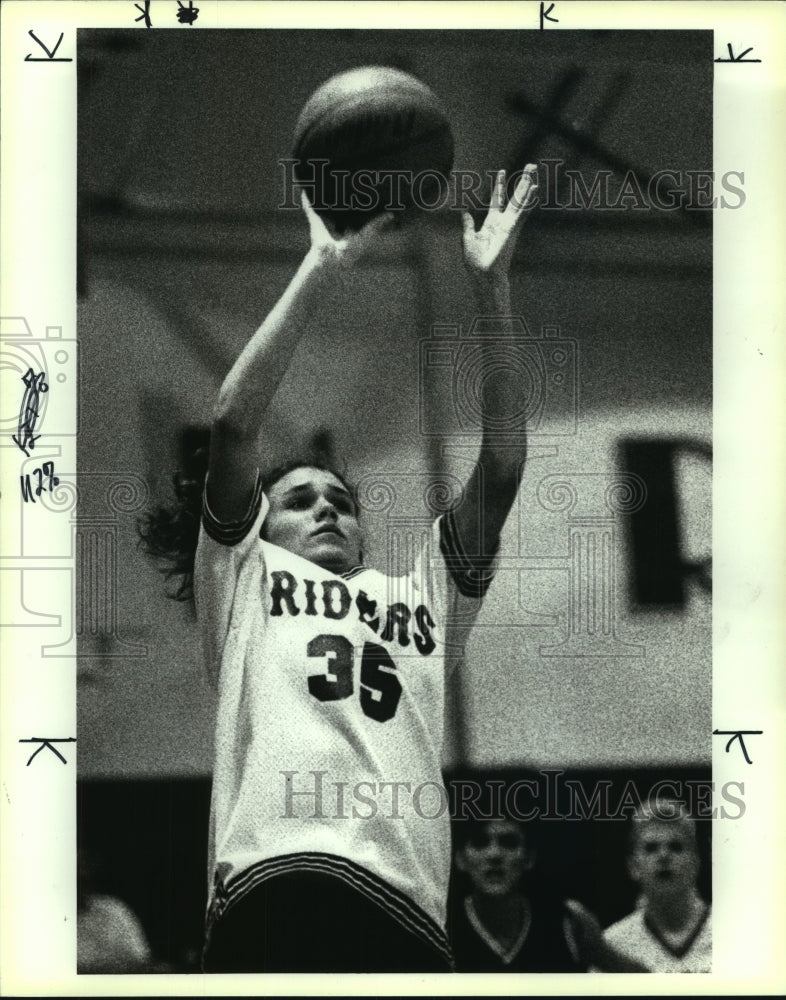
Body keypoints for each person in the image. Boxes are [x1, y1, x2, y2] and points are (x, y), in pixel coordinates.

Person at [141, 165, 538, 972]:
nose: (328, 508)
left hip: (408, 903)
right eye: (299, 499)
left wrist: (492, 290)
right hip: (274, 880)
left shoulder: (421, 593)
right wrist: (320, 267)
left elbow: (499, 467)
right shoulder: (245, 578)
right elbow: (230, 421)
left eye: (342, 501)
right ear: (258, 525)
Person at [451, 816, 648, 973]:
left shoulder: (569, 922)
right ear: (460, 859)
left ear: (528, 857)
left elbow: (642, 980)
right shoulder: (443, 926)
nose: (494, 854)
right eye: (480, 843)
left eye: (508, 843)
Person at [602, 799, 711, 973]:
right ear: (634, 866)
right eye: (651, 848)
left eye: (676, 847)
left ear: (695, 863)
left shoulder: (733, 934)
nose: (664, 856)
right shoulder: (613, 945)